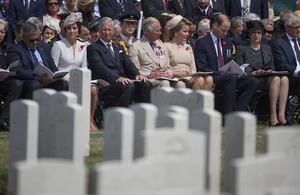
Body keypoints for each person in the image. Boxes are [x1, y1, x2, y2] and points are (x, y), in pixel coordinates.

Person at [195, 14, 259, 114]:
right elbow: (202, 67)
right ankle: (229, 114)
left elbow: (229, 61)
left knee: (253, 82)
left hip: (229, 76)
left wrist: (238, 71)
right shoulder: (202, 42)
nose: (225, 33)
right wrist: (221, 73)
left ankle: (239, 112)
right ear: (215, 25)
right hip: (213, 76)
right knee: (231, 78)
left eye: (227, 31)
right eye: (223, 30)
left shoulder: (227, 42)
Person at [87, 17, 152, 107]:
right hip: (106, 84)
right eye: (104, 30)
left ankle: (142, 116)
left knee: (146, 84)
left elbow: (128, 64)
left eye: (109, 30)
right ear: (99, 30)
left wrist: (137, 75)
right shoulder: (93, 48)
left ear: (113, 30)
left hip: (123, 81)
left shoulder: (118, 47)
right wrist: (118, 78)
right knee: (129, 86)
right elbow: (101, 68)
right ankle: (124, 118)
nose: (107, 33)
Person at [235, 20, 289, 126]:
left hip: (267, 77)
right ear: (249, 34)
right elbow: (240, 69)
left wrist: (269, 71)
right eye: (254, 32)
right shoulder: (242, 49)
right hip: (252, 79)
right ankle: (273, 116)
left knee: (284, 79)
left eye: (259, 33)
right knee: (276, 79)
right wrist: (254, 73)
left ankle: (282, 116)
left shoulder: (266, 48)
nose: (256, 35)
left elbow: (272, 67)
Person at [51, 13, 98, 131]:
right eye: (69, 28)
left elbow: (84, 67)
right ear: (65, 30)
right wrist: (65, 78)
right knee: (68, 85)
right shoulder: (58, 45)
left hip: (79, 79)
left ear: (78, 30)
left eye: (74, 28)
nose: (72, 31)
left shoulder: (83, 46)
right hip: (63, 80)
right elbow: (53, 69)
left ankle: (90, 121)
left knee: (93, 89)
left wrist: (85, 80)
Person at [7, 21, 69, 99]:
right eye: (32, 40)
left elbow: (52, 67)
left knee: (63, 84)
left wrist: (55, 76)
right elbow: (18, 70)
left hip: (47, 79)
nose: (36, 43)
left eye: (38, 39)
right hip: (30, 80)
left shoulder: (45, 47)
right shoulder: (15, 49)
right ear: (24, 37)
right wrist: (36, 77)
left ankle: (59, 110)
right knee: (35, 85)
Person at [129, 17, 185, 88]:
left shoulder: (161, 45)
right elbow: (134, 71)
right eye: (157, 30)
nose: (160, 33)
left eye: (160, 30)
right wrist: (150, 75)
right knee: (165, 83)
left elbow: (168, 66)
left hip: (164, 78)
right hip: (148, 80)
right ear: (148, 32)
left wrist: (169, 74)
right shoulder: (135, 47)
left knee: (180, 84)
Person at [165, 15, 213, 90]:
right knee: (199, 79)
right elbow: (165, 68)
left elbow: (193, 67)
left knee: (209, 78)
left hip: (189, 76)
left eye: (188, 31)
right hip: (175, 77)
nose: (187, 34)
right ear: (176, 31)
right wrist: (180, 74)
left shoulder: (188, 47)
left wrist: (192, 73)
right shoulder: (166, 46)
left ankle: (202, 101)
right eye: (185, 31)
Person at [272, 13, 300, 113]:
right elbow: (282, 65)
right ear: (287, 28)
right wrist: (297, 72)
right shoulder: (278, 43)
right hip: (290, 77)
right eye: (295, 28)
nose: (299, 30)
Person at [0, 19, 23, 131]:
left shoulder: (9, 48)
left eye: (2, 32)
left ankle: (4, 118)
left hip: (4, 81)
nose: (0, 34)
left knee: (17, 84)